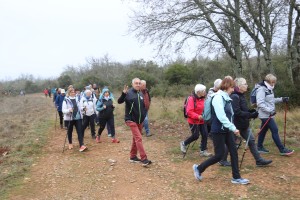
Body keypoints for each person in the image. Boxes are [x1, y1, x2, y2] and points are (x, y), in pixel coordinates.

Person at [192, 77, 249, 184]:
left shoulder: (226, 97)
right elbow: (221, 116)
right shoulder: (218, 97)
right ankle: (199, 168)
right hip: (218, 130)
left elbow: (230, 115)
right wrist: (233, 128)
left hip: (226, 130)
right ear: (227, 87)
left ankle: (236, 177)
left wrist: (231, 127)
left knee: (233, 152)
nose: (233, 90)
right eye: (232, 87)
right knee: (219, 155)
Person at [228, 78, 272, 166]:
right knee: (230, 143)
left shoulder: (241, 95)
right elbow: (236, 112)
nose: (247, 85)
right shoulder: (234, 96)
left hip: (244, 124)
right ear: (239, 86)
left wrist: (251, 111)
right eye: (245, 84)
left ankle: (259, 160)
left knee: (251, 141)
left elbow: (243, 109)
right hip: (236, 125)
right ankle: (222, 159)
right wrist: (250, 115)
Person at [256, 74, 294, 155]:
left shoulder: (269, 89)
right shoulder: (262, 89)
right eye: (272, 82)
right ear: (267, 81)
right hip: (265, 115)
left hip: (269, 114)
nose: (273, 84)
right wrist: (270, 110)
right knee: (275, 130)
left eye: (274, 82)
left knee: (263, 130)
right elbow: (260, 103)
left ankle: (259, 147)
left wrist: (282, 99)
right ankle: (282, 149)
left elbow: (271, 100)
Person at [118, 78, 152, 166]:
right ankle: (144, 159)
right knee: (139, 138)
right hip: (130, 120)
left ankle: (132, 156)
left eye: (139, 83)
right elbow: (119, 101)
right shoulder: (128, 93)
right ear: (132, 84)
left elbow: (143, 106)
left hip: (139, 120)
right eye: (136, 83)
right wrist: (123, 94)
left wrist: (144, 115)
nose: (138, 85)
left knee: (135, 139)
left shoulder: (140, 93)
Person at [180, 84, 212, 157]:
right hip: (194, 121)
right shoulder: (191, 99)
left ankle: (203, 151)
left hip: (202, 120)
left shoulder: (203, 98)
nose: (205, 92)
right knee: (195, 136)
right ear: (198, 92)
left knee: (205, 134)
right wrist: (197, 116)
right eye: (203, 91)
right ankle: (183, 143)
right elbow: (189, 111)